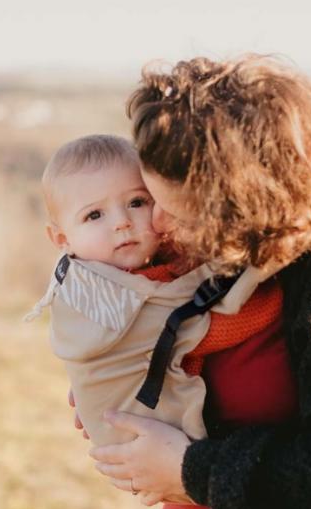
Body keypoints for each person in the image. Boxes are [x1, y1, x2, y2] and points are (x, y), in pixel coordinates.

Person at [84, 56, 311, 509]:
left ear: (243, 201)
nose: (157, 224)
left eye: (177, 209)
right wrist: (121, 396)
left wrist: (190, 469)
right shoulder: (235, 246)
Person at [27, 133, 283, 457]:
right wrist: (285, 281)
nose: (122, 222)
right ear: (62, 238)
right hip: (160, 447)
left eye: (136, 202)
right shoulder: (113, 300)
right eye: (95, 215)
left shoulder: (97, 276)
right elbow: (225, 322)